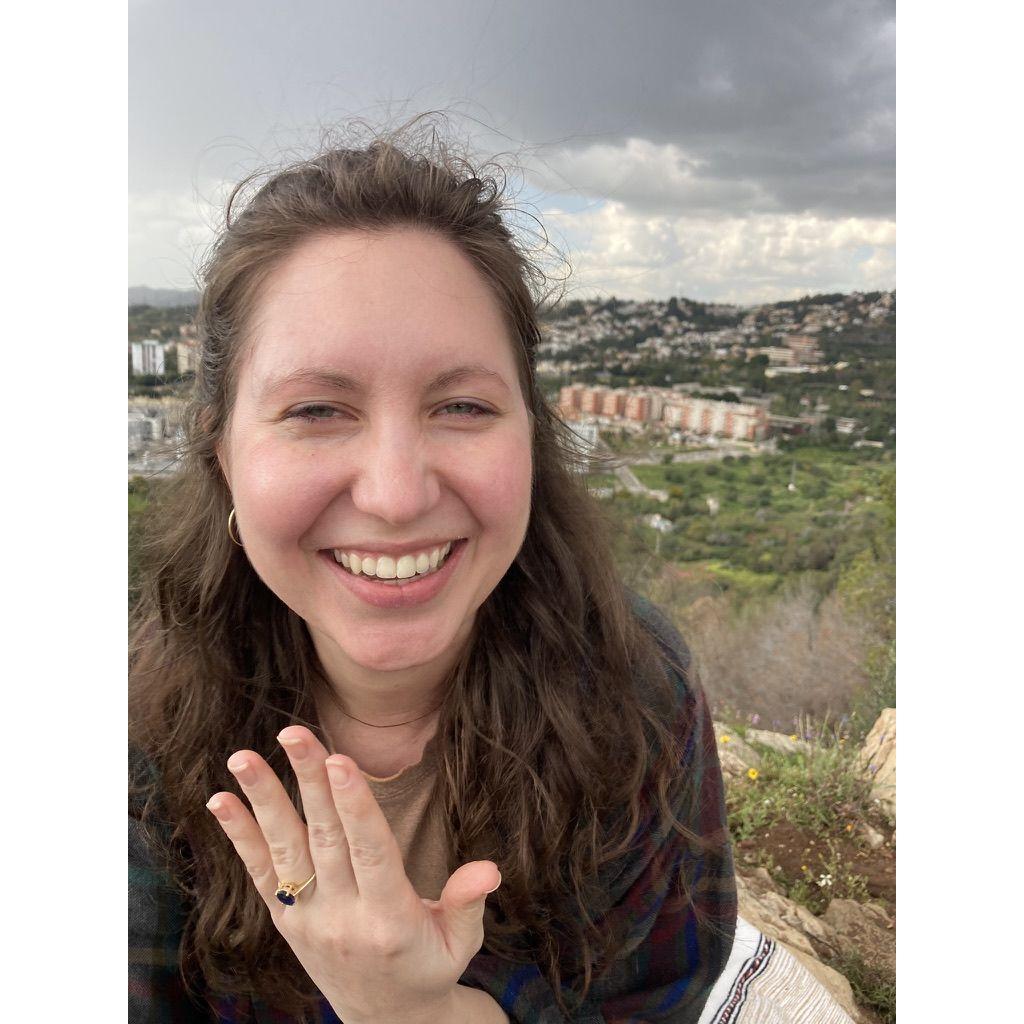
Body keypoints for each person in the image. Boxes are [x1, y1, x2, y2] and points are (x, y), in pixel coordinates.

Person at [129, 121, 739, 1024]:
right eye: (317, 410)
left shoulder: (634, 686)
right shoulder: (132, 724)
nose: (396, 495)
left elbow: (654, 997)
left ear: (531, 435)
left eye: (461, 405)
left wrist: (413, 1012)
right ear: (223, 453)